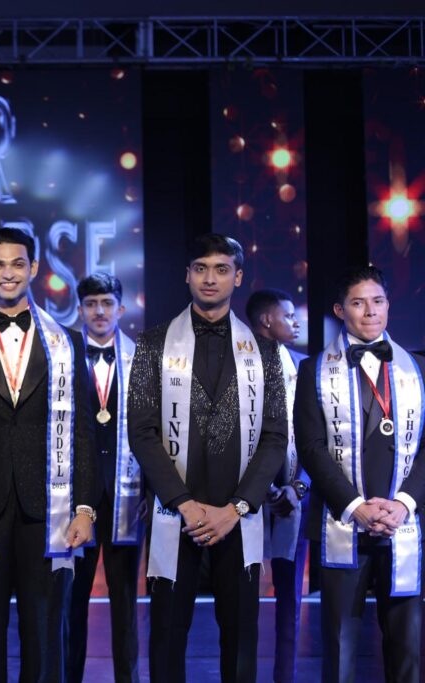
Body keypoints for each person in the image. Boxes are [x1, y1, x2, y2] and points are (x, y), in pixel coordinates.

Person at [128, 233, 286, 683]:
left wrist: (236, 507)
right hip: (176, 515)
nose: (210, 278)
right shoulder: (153, 344)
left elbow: (275, 437)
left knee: (241, 642)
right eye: (200, 268)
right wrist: (183, 502)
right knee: (166, 640)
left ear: (238, 276)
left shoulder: (265, 351)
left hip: (238, 517)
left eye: (221, 269)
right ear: (187, 276)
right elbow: (141, 432)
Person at [0, 227, 95, 683]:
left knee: (46, 632)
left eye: (18, 264)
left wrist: (84, 507)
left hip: (49, 507)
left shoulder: (68, 342)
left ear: (34, 268)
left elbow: (83, 431)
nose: (8, 274)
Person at [295, 265, 425, 683]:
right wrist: (356, 507)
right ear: (340, 310)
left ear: (388, 305)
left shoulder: (418, 367)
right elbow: (311, 449)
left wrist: (404, 503)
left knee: (408, 651)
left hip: (403, 524)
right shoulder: (313, 370)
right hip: (343, 523)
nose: (370, 311)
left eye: (378, 301)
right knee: (340, 650)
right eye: (358, 303)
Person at [65, 272, 141, 683]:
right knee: (72, 600)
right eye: (91, 304)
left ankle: (128, 677)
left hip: (127, 493)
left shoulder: (140, 358)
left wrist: (149, 488)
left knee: (125, 599)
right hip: (75, 495)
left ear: (121, 309)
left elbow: (153, 430)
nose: (99, 311)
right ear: (80, 310)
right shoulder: (62, 356)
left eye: (107, 303)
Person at [246, 288, 308, 683]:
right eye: (288, 315)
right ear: (267, 320)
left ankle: (285, 676)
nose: (296, 322)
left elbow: (321, 436)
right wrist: (258, 488)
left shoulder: (305, 368)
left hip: (293, 497)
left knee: (290, 601)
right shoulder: (233, 363)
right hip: (243, 502)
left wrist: (298, 487)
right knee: (241, 603)